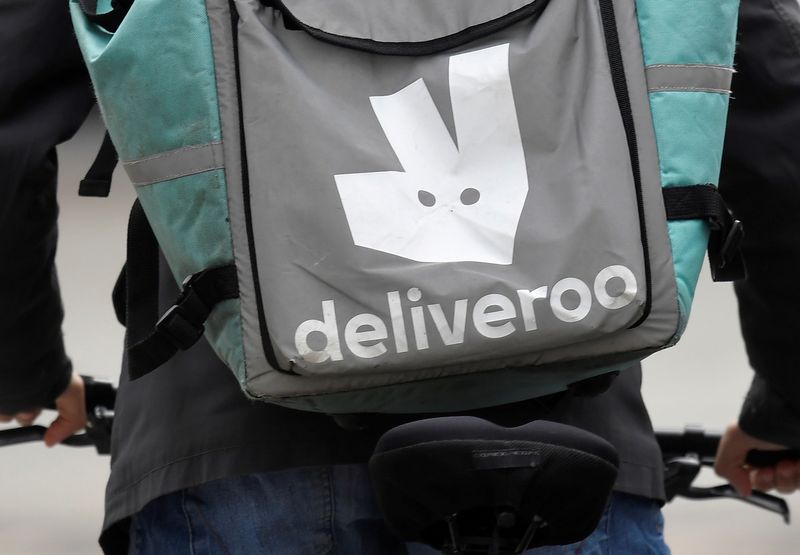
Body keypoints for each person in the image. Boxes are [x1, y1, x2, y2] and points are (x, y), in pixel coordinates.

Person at [0, 1, 798, 554]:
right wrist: (785, 401)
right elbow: (778, 116)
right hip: (571, 445)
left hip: (229, 448)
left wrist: (23, 364)